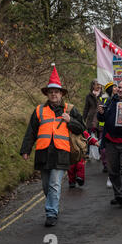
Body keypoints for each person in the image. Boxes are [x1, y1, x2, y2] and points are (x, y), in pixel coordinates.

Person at [20, 65, 85, 227]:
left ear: (61, 93)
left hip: (61, 152)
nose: (54, 94)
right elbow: (31, 132)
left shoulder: (70, 109)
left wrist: (71, 121)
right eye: (51, 92)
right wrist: (26, 150)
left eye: (57, 91)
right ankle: (53, 206)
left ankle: (51, 213)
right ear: (47, 94)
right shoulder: (39, 110)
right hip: (43, 153)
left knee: (55, 184)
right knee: (46, 186)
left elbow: (82, 128)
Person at [97, 79, 122, 207]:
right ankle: (118, 195)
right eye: (119, 87)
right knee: (113, 171)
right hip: (111, 141)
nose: (120, 90)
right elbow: (103, 118)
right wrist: (100, 113)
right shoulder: (110, 100)